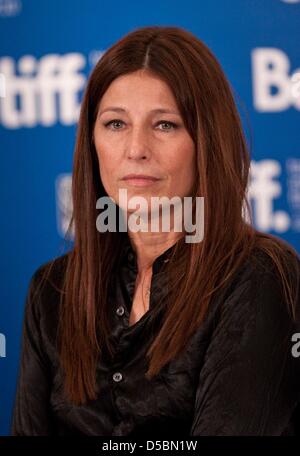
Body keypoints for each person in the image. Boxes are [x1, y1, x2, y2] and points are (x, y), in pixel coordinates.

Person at [11, 25, 300, 436]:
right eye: (115, 124)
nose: (135, 149)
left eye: (164, 124)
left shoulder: (260, 276)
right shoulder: (50, 291)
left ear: (207, 141)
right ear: (91, 142)